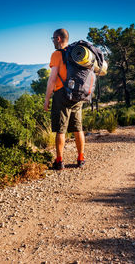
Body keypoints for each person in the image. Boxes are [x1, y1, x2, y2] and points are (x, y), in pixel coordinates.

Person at [44, 28, 85, 170]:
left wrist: (47, 98)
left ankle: (59, 161)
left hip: (62, 94)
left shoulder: (57, 54)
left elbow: (52, 79)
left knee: (61, 129)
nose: (53, 41)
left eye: (53, 38)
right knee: (78, 128)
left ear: (59, 38)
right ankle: (80, 158)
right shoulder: (77, 54)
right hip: (78, 95)